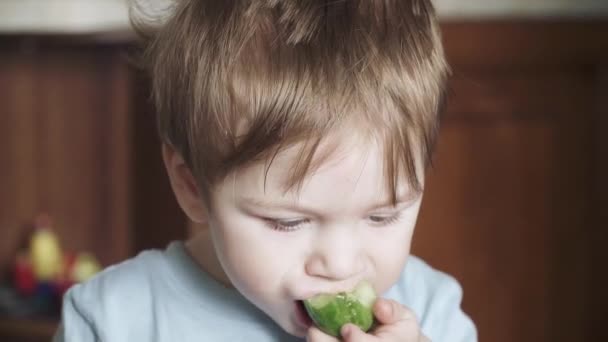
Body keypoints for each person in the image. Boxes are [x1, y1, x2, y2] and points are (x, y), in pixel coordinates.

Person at [54, 0, 477, 341]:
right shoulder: (112, 321)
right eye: (288, 222)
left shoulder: (433, 314)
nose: (340, 264)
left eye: (382, 215)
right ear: (191, 186)